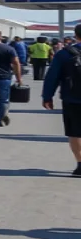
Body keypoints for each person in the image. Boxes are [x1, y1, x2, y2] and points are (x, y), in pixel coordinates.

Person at [41, 23, 81, 176]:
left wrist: (47, 96)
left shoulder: (64, 53)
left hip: (73, 98)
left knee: (75, 132)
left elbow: (52, 77)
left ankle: (80, 164)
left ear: (75, 35)